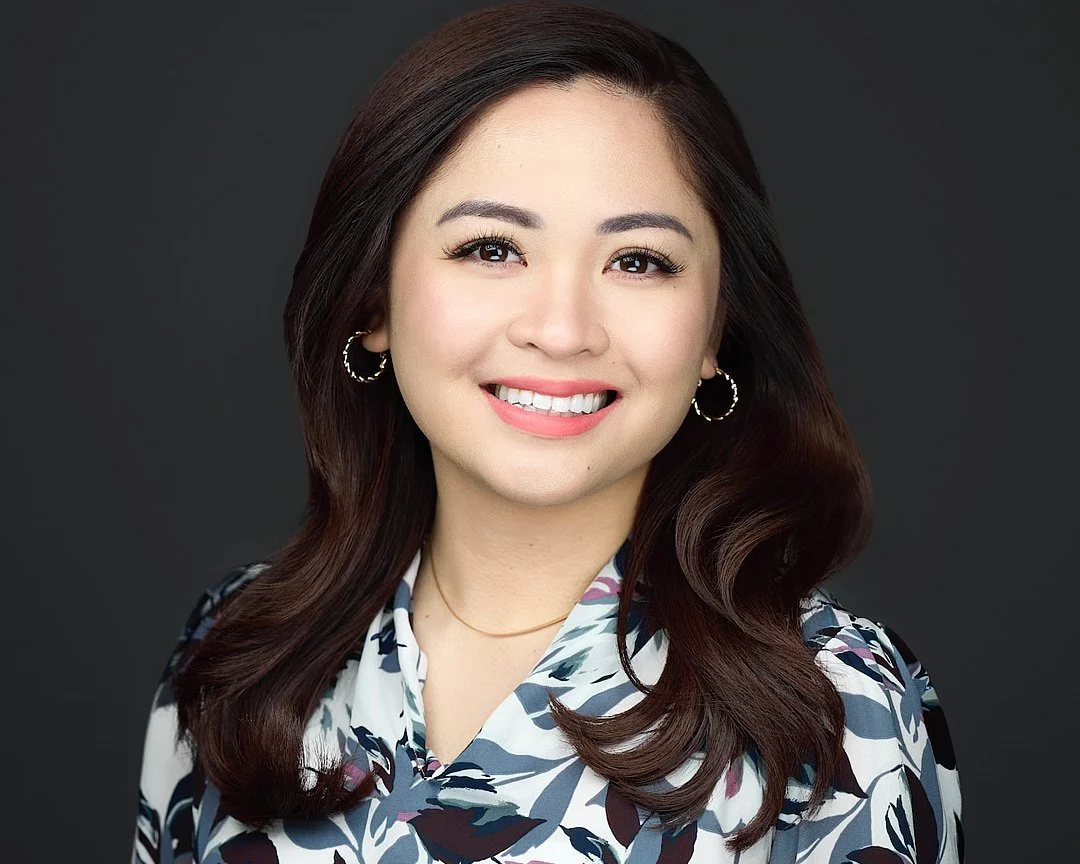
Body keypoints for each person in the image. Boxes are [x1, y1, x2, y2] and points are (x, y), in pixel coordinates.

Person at [131, 2, 963, 862]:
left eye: (638, 261)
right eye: (492, 249)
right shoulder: (238, 652)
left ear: (718, 335)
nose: (562, 330)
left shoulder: (836, 710)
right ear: (372, 299)